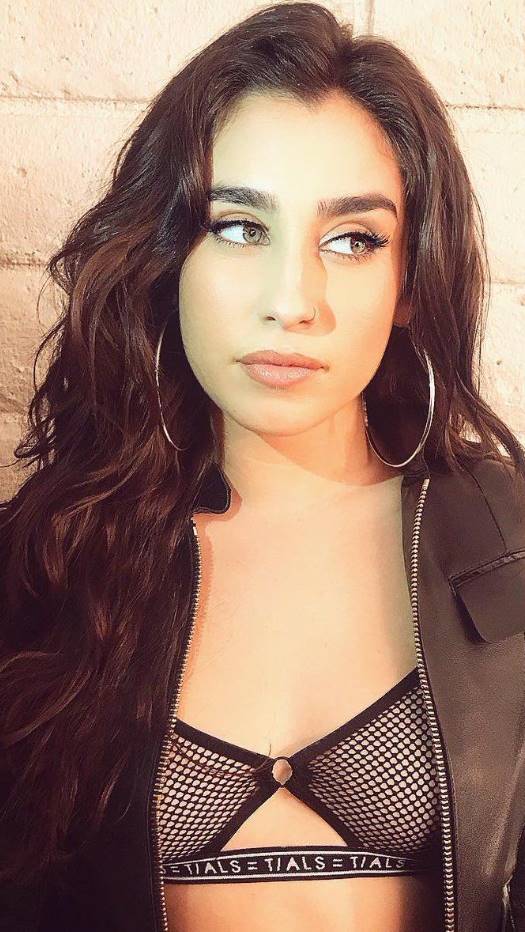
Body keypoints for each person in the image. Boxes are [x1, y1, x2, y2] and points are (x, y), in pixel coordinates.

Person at [0, 3, 524, 931]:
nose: (292, 301)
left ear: (408, 279)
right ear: (168, 255)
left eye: (353, 239)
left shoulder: (504, 542)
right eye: (241, 226)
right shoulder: (54, 551)